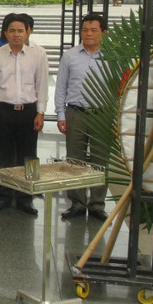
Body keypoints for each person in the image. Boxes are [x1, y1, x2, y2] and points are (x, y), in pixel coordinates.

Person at [0, 14, 49, 216]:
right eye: (12, 31)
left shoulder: (38, 55)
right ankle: (2, 196)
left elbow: (42, 85)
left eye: (20, 30)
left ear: (27, 31)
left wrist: (40, 112)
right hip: (2, 110)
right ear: (5, 33)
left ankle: (25, 198)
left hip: (28, 111)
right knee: (1, 156)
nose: (16, 35)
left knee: (28, 156)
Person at [56, 13, 109, 221]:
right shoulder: (70, 56)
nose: (88, 34)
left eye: (93, 30)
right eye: (85, 30)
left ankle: (97, 204)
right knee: (74, 160)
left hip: (102, 115)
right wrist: (61, 115)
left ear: (104, 33)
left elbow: (119, 88)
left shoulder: (112, 57)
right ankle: (77, 203)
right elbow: (61, 87)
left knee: (100, 161)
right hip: (76, 113)